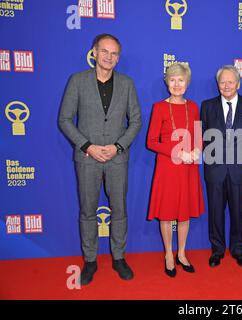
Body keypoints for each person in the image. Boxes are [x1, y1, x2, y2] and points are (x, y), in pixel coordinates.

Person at [59, 34, 142, 285]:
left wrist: (118, 146)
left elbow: (136, 121)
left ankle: (119, 257)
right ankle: (90, 261)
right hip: (87, 157)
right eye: (104, 51)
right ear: (94, 52)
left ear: (118, 57)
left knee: (120, 210)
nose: (109, 57)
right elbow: (64, 119)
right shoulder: (77, 81)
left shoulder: (127, 83)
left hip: (117, 158)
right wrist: (88, 146)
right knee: (87, 211)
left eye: (114, 53)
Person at [147, 63, 204, 277]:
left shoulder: (194, 107)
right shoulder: (159, 107)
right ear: (167, 83)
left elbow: (198, 135)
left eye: (181, 80)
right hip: (168, 167)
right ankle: (168, 254)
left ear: (187, 83)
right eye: (172, 80)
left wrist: (198, 150)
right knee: (167, 212)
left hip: (189, 168)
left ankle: (181, 253)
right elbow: (152, 141)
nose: (177, 84)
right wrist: (180, 153)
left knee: (184, 212)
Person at [201, 65, 242, 268]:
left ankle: (238, 250)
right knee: (215, 212)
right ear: (218, 85)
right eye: (222, 82)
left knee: (238, 211)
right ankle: (217, 250)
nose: (226, 86)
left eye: (230, 82)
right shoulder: (207, 106)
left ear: (238, 84)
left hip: (239, 170)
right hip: (214, 169)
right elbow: (203, 137)